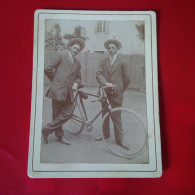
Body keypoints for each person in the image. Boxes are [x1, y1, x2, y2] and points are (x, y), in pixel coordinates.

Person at [42, 38, 85, 145]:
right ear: (70, 47)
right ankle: (60, 137)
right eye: (75, 48)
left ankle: (46, 129)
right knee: (57, 114)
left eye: (78, 49)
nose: (76, 50)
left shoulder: (77, 63)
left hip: (69, 92)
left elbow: (79, 77)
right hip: (58, 90)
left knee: (69, 112)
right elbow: (47, 68)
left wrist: (77, 83)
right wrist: (55, 80)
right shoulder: (61, 56)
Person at [96, 39, 130, 150]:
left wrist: (120, 89)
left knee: (116, 116)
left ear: (117, 49)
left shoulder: (122, 62)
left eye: (113, 48)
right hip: (105, 92)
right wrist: (105, 83)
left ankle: (120, 139)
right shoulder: (103, 61)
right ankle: (105, 134)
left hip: (116, 93)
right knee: (105, 113)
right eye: (109, 48)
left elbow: (127, 79)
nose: (111, 50)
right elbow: (98, 74)